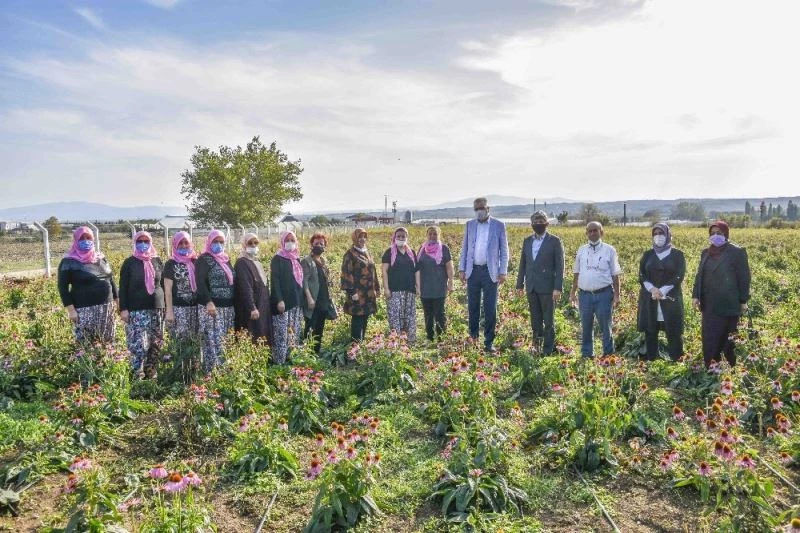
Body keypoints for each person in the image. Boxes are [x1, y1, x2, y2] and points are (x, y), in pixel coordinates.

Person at [692, 221, 751, 367]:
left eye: (719, 233)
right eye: (712, 233)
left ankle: (727, 369)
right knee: (710, 338)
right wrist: (696, 296)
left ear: (726, 234)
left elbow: (744, 278)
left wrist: (743, 300)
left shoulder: (737, 252)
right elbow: (699, 275)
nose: (715, 236)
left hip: (729, 304)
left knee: (728, 338)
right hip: (709, 304)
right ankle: (710, 367)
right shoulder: (706, 253)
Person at [458, 197, 509, 353]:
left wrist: (503, 271)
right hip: (472, 271)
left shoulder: (498, 225)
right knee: (472, 307)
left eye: (482, 208)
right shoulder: (470, 225)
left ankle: (488, 342)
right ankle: (473, 339)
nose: (479, 211)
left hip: (490, 271)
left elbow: (504, 250)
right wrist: (462, 269)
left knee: (490, 308)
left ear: (488, 208)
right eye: (476, 209)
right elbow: (465, 248)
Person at [569, 222, 622, 358]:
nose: (592, 233)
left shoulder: (609, 250)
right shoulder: (581, 250)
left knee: (606, 326)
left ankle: (608, 354)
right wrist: (573, 292)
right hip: (585, 295)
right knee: (586, 325)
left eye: (595, 230)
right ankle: (587, 354)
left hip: (603, 294)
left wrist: (617, 295)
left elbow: (615, 275)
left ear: (601, 232)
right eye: (590, 231)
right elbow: (576, 272)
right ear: (586, 233)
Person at [58, 226, 117, 344]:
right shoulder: (68, 262)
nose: (85, 241)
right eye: (82, 238)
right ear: (76, 240)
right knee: (86, 345)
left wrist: (118, 300)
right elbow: (62, 288)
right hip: (84, 310)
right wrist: (71, 310)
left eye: (88, 238)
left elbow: (111, 280)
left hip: (106, 308)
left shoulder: (100, 258)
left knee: (107, 344)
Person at [515, 211, 564, 354]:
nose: (538, 224)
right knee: (535, 320)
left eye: (541, 221)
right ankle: (536, 346)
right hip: (532, 286)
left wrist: (557, 287)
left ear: (547, 223)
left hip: (547, 287)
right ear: (531, 224)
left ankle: (548, 349)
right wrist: (519, 285)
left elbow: (560, 266)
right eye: (535, 222)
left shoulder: (554, 241)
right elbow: (523, 264)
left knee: (548, 321)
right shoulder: (527, 241)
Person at [119, 231, 165, 379]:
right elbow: (123, 287)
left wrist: (166, 306)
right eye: (140, 241)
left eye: (146, 241)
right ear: (135, 243)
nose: (143, 244)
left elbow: (163, 284)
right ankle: (137, 375)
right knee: (139, 344)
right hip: (137, 310)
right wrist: (123, 309)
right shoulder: (129, 263)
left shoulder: (157, 261)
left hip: (157, 309)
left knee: (156, 342)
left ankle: (151, 374)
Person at [637, 223, 686, 361]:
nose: (658, 236)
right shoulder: (648, 254)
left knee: (673, 331)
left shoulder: (678, 255)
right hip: (650, 297)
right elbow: (641, 274)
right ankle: (652, 359)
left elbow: (679, 275)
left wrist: (663, 290)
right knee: (650, 330)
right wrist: (652, 289)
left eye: (661, 233)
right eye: (655, 234)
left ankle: (676, 360)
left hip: (670, 298)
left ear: (668, 235)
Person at [195, 230, 235, 372]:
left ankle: (225, 373)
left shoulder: (225, 259)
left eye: (221, 242)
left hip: (228, 307)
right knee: (213, 341)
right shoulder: (204, 259)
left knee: (226, 340)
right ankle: (212, 373)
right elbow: (200, 282)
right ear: (209, 242)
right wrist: (208, 301)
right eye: (215, 241)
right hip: (212, 308)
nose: (218, 244)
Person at [341, 228, 380, 343]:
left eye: (364, 237)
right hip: (357, 293)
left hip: (368, 292)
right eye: (360, 237)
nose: (362, 239)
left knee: (365, 316)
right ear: (354, 238)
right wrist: (351, 292)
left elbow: (373, 271)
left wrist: (377, 288)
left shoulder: (367, 252)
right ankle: (355, 345)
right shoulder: (350, 254)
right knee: (358, 318)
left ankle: (361, 343)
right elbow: (346, 273)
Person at [270, 231, 304, 364]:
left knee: (293, 331)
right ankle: (279, 362)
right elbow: (275, 281)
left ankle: (291, 359)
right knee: (281, 333)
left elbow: (300, 282)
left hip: (296, 302)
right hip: (283, 303)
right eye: (287, 240)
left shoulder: (296, 259)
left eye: (292, 240)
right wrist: (279, 300)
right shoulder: (277, 259)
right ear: (282, 242)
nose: (290, 243)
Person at [234, 232, 273, 345]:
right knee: (251, 336)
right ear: (244, 245)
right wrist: (252, 307)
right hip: (251, 309)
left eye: (255, 242)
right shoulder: (242, 263)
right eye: (250, 243)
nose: (253, 245)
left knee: (262, 335)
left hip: (262, 305)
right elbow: (245, 286)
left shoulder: (256, 262)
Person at [416, 226, 454, 341]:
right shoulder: (422, 248)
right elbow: (417, 267)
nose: (432, 236)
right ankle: (430, 336)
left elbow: (449, 267)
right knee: (427, 313)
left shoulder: (444, 248)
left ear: (439, 235)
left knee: (439, 312)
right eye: (430, 234)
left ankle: (441, 336)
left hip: (439, 285)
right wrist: (417, 285)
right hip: (424, 286)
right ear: (427, 235)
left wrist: (451, 281)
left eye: (435, 234)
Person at [381, 227, 418, 343]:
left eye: (403, 236)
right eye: (398, 236)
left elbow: (416, 271)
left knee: (409, 315)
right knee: (395, 316)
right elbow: (384, 271)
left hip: (409, 289)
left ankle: (409, 341)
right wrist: (386, 289)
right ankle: (395, 342)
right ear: (394, 238)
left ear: (407, 238)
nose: (401, 238)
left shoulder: (411, 253)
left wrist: (418, 287)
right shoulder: (389, 252)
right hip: (394, 290)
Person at [301, 232, 334, 354]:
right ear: (311, 245)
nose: (319, 246)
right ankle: (307, 353)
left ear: (325, 246)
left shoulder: (323, 261)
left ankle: (316, 352)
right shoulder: (306, 261)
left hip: (323, 299)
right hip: (313, 299)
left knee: (320, 327)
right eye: (316, 243)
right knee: (310, 327)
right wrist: (309, 298)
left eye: (321, 243)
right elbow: (304, 281)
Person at [163, 231, 199, 342]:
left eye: (186, 242)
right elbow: (168, 290)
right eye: (180, 243)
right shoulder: (171, 264)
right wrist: (169, 311)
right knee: (181, 343)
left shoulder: (196, 261)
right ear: (175, 245)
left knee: (196, 341)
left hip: (196, 309)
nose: (183, 245)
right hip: (179, 310)